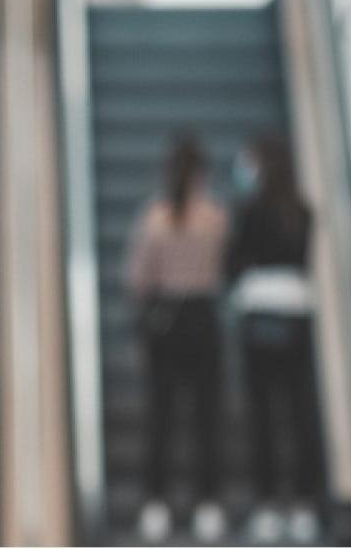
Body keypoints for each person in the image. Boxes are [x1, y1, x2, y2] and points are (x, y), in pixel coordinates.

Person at [125, 134, 230, 544]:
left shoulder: (155, 218)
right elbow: (226, 267)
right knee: (206, 416)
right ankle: (207, 504)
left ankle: (155, 504)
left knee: (161, 416)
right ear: (203, 173)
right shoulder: (215, 218)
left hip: (165, 319)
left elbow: (137, 279)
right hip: (203, 317)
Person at [225, 135, 327, 544]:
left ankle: (268, 504)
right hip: (297, 315)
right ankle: (304, 504)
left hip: (259, 315)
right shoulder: (302, 210)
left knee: (264, 414)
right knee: (300, 413)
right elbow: (303, 262)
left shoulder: (250, 210)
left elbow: (234, 261)